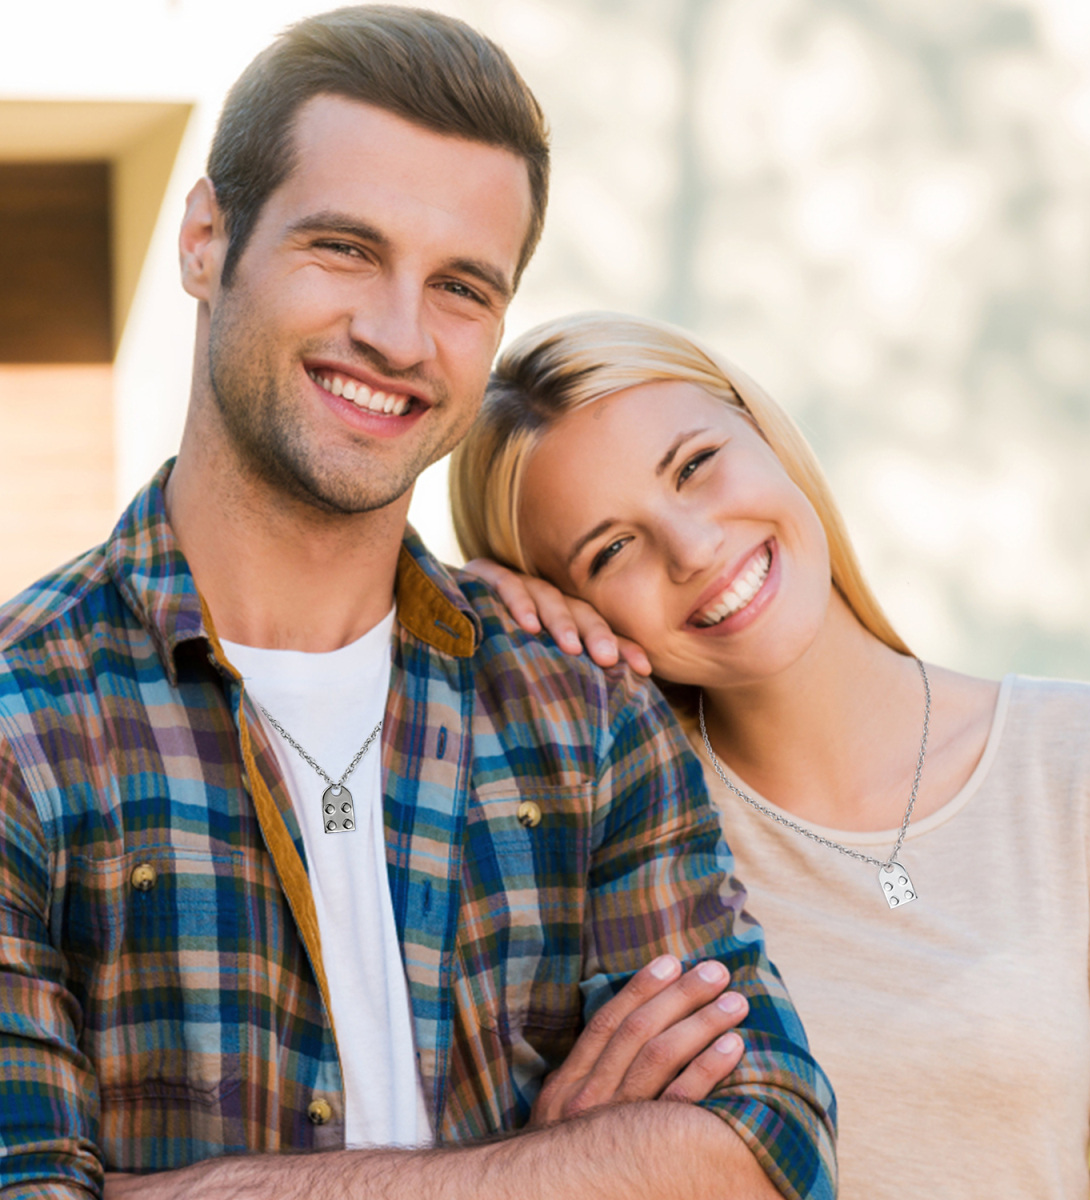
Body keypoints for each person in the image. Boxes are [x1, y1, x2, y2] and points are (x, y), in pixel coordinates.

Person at [0, 12, 837, 1199]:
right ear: (204, 240)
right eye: (343, 249)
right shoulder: (23, 725)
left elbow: (774, 1150)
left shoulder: (581, 714)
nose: (398, 336)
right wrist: (563, 1168)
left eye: (459, 286)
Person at [450, 309, 1090, 1200]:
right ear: (567, 605)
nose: (693, 549)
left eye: (695, 466)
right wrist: (481, 617)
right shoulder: (623, 847)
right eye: (612, 550)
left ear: (764, 431)